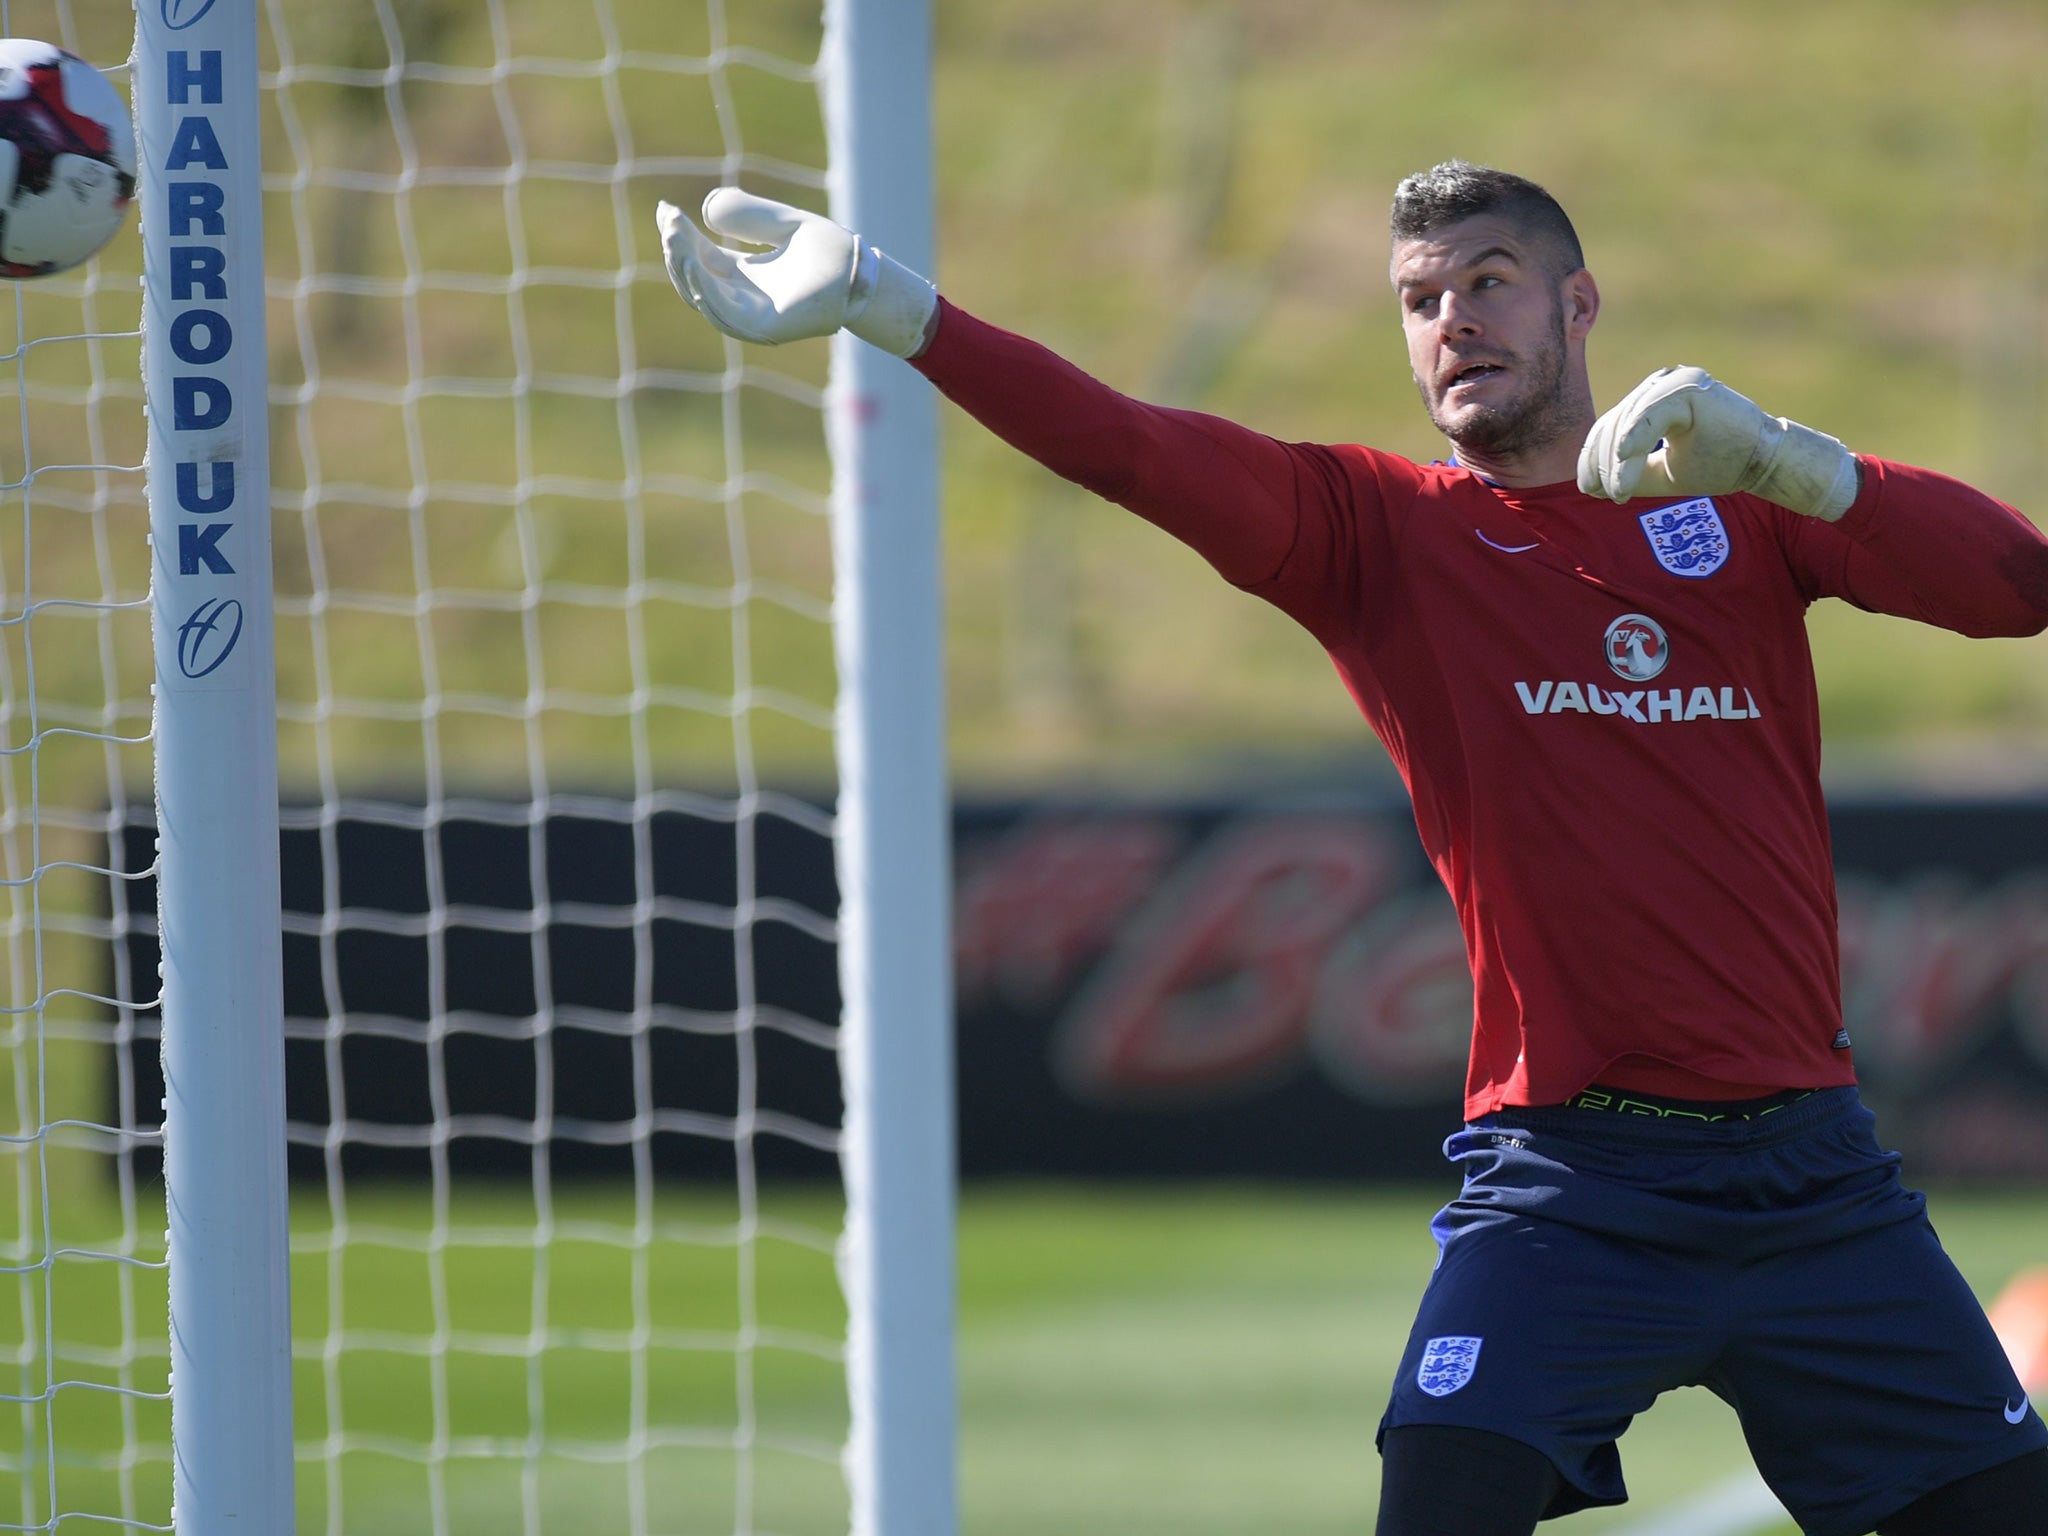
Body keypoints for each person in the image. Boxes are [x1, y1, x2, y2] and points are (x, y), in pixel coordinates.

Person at [654, 162, 2048, 1536]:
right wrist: (899, 310)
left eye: (1489, 283)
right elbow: (1129, 447)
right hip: (1574, 1184)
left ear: (1580, 304)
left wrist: (1804, 468)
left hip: (1817, 1182)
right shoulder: (1376, 533)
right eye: (1420, 296)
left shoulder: (1734, 503)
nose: (1453, 319)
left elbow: (2017, 591)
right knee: (1439, 1495)